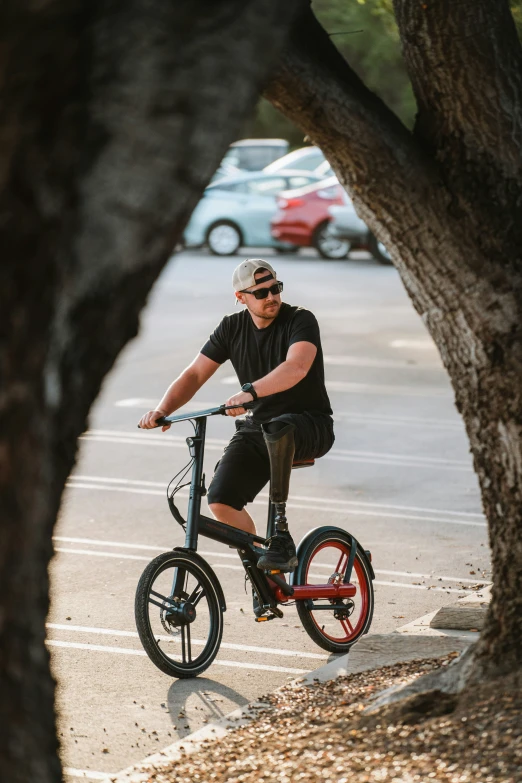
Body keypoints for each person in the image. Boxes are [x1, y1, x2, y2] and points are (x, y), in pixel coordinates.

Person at [138, 259, 334, 575]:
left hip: (310, 424)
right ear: (240, 297)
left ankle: (281, 537)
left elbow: (296, 367)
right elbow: (195, 373)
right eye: (261, 292)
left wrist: (249, 393)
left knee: (278, 426)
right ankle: (265, 568)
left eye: (275, 288)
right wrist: (163, 410)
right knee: (219, 499)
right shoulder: (232, 327)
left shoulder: (300, 320)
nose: (271, 297)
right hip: (260, 429)